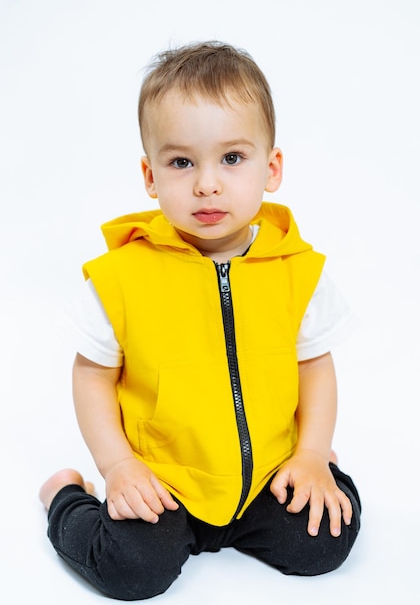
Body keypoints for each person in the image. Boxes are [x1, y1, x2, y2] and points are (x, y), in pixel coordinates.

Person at [39, 41, 361, 600]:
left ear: (272, 167)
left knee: (325, 539)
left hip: (263, 474)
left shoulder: (297, 271)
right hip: (165, 481)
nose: (207, 183)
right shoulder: (122, 278)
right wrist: (117, 466)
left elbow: (315, 365)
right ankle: (64, 496)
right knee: (131, 571)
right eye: (181, 161)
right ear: (149, 174)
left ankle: (316, 463)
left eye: (232, 159)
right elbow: (90, 374)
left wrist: (310, 455)